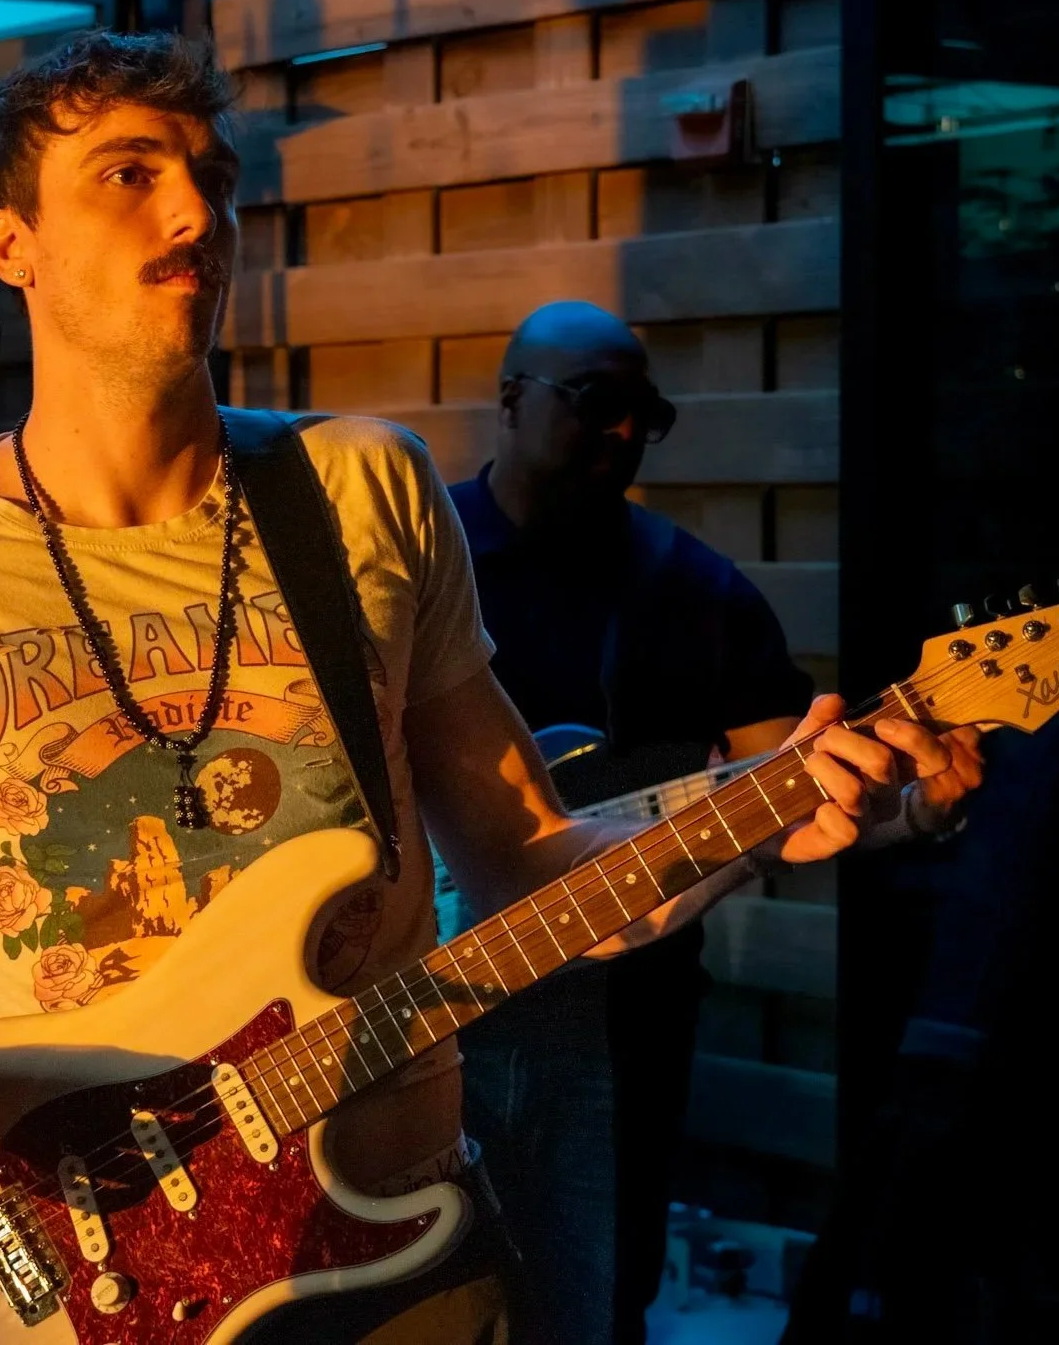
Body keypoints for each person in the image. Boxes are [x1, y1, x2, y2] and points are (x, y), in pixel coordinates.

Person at [0, 30, 977, 1342]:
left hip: (394, 1251)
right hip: (75, 1264)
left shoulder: (359, 490)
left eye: (212, 178)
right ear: (10, 243)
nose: (194, 213)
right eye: (130, 175)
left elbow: (528, 865)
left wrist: (760, 813)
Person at [448, 301, 837, 1342]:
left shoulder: (695, 591)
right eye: (595, 402)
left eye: (644, 414)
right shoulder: (420, 562)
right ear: (511, 399)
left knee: (597, 1302)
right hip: (428, 1011)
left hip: (627, 1017)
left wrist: (904, 802)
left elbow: (789, 788)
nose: (623, 432)